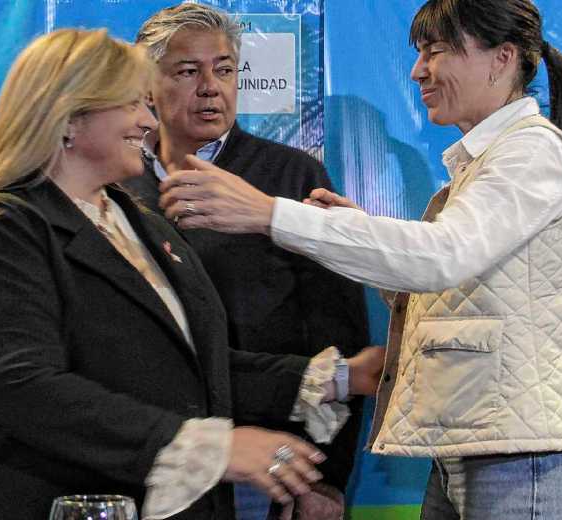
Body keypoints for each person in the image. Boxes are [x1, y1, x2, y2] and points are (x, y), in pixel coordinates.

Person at [158, 0, 562, 518]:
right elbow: (440, 283)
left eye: (437, 50)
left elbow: (442, 257)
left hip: (532, 464)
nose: (418, 69)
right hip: (478, 453)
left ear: (502, 58)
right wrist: (344, 228)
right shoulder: (487, 163)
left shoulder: (530, 152)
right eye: (419, 52)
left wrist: (273, 215)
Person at [0, 28, 382, 520]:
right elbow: (21, 385)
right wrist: (209, 447)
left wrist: (340, 377)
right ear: (69, 119)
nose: (146, 119)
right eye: (131, 104)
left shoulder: (140, 223)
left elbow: (187, 371)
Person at [121, 4, 370, 519]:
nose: (212, 87)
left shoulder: (291, 176)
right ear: (147, 87)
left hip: (273, 463)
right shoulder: (114, 183)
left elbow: (339, 335)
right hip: (150, 456)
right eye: (189, 71)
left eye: (226, 69)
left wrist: (324, 480)